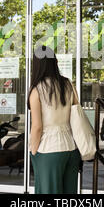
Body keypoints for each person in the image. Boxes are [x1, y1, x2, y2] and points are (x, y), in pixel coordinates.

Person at [28, 45, 81, 194]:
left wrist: (33, 151)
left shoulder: (37, 90)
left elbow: (37, 127)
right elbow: (76, 115)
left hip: (48, 150)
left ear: (37, 65)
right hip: (71, 149)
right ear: (54, 62)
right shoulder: (68, 84)